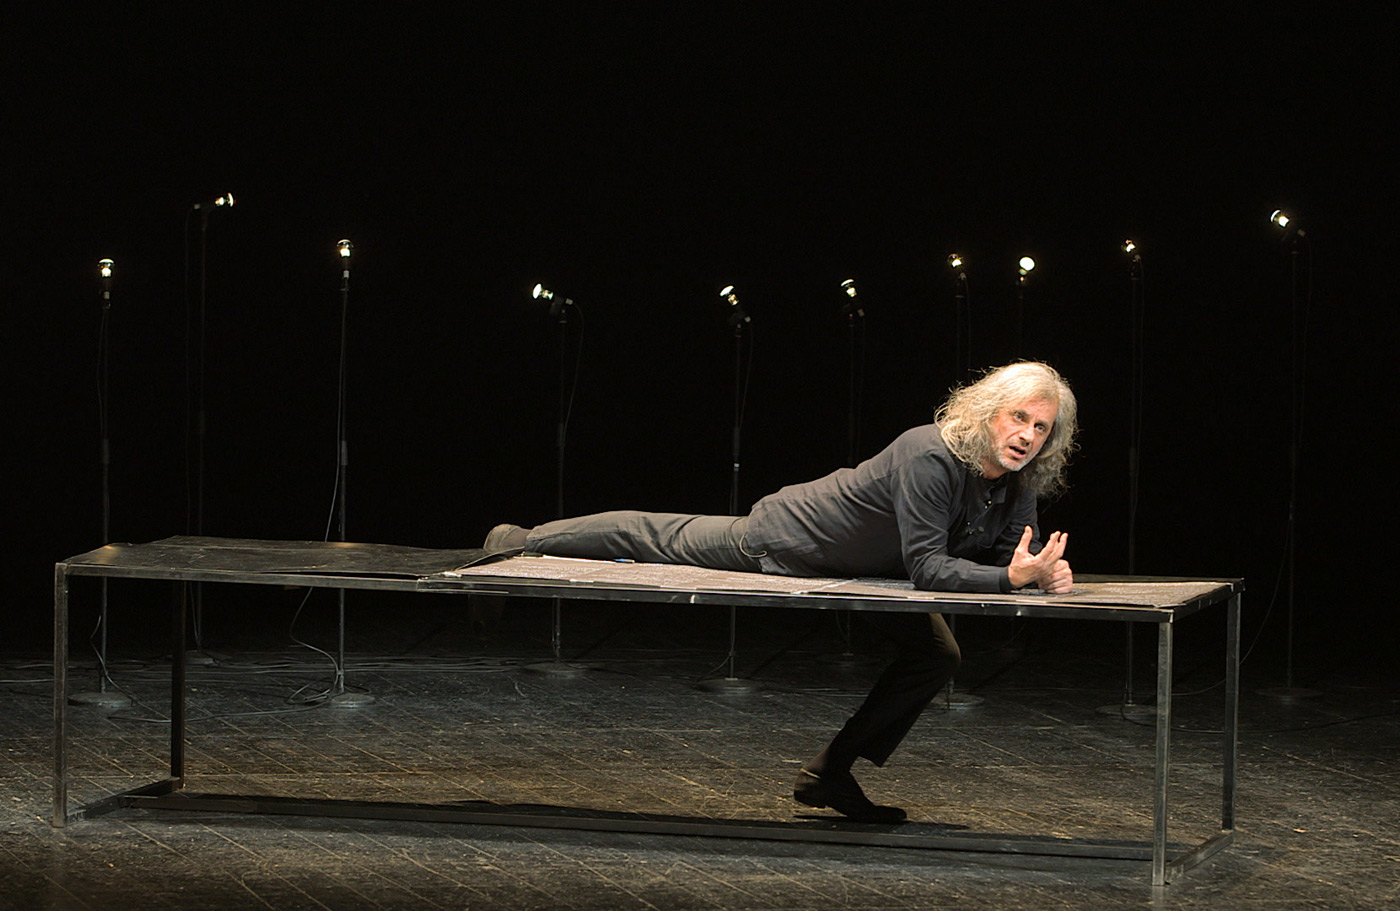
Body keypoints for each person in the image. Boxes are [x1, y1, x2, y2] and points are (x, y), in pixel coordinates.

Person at [484, 361, 1078, 824]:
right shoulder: (928, 454)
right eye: (1018, 418)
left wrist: (1043, 575)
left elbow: (1007, 560)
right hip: (791, 539)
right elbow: (930, 567)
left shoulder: (1017, 481)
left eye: (1040, 427)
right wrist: (1012, 579)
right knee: (653, 535)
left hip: (870, 575)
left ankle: (829, 774)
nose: (1026, 435)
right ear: (987, 413)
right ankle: (521, 538)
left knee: (936, 655)